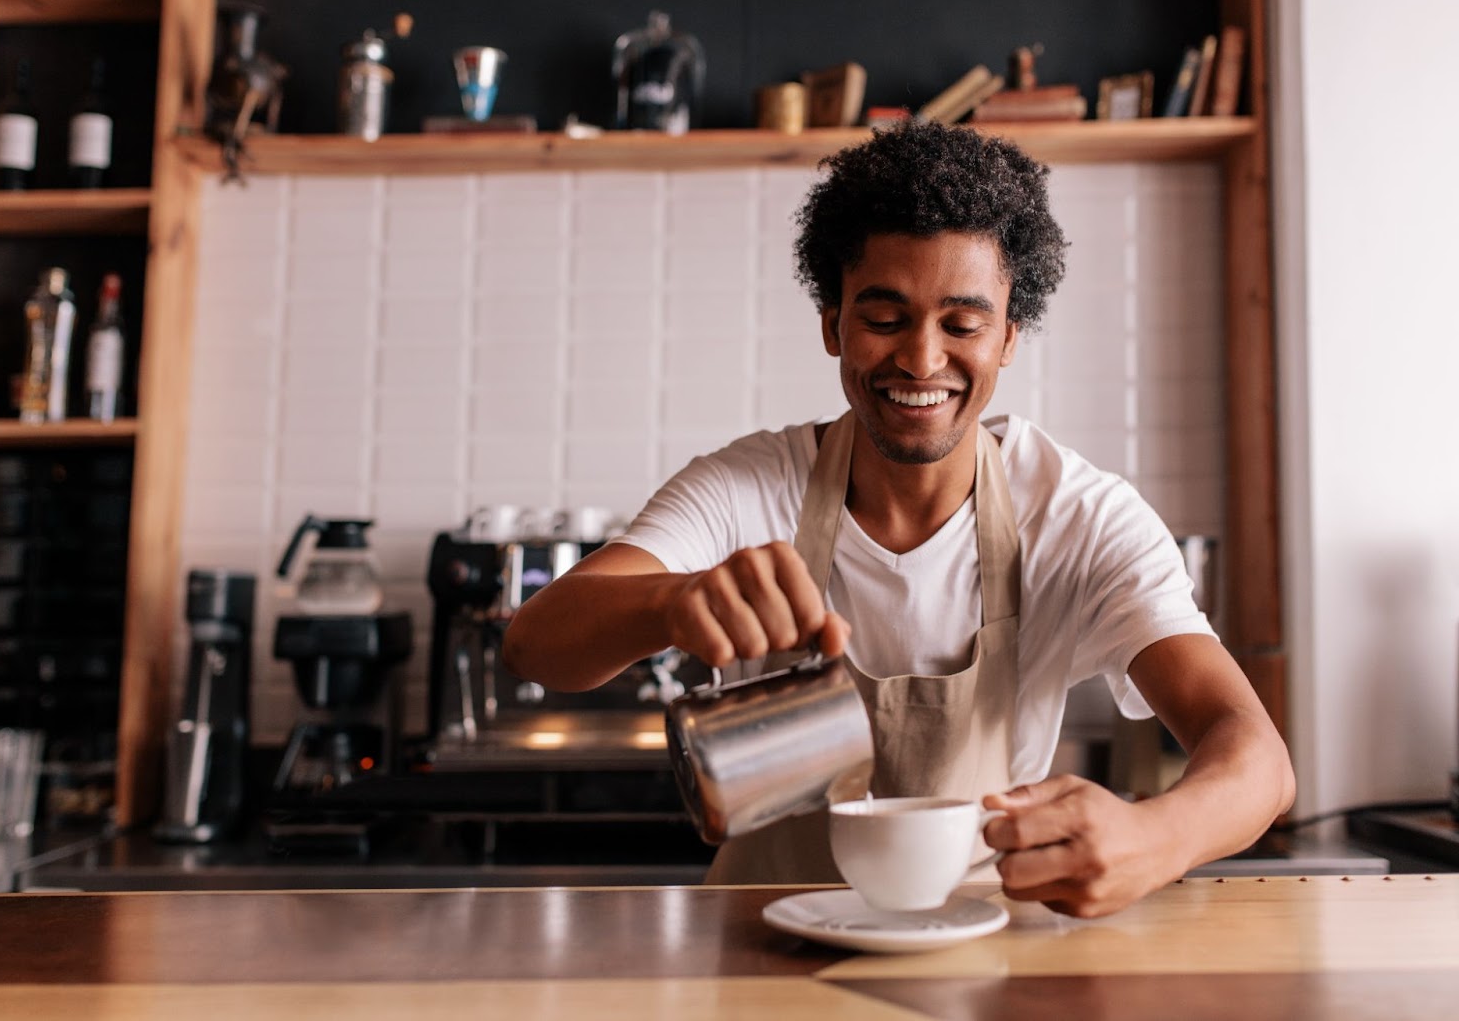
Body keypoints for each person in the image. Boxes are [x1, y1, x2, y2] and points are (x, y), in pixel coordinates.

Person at [502, 120, 1295, 918]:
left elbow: (1256, 757)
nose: (921, 359)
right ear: (832, 324)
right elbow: (537, 643)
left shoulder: (1077, 515)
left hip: (985, 960)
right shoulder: (749, 488)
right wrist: (672, 602)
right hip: (760, 961)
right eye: (884, 318)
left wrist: (1156, 839)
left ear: (1010, 336)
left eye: (963, 323)